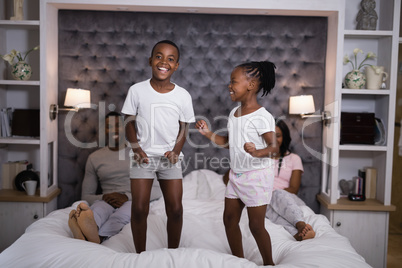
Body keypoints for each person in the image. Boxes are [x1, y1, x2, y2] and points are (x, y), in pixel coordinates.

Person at [196, 61, 277, 266]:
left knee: (256, 226)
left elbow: (274, 147)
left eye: (234, 81)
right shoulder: (234, 113)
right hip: (237, 174)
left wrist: (258, 151)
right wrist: (208, 133)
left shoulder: (262, 116)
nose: (229, 86)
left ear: (250, 85)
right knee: (229, 219)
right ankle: (239, 260)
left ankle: (269, 263)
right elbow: (228, 143)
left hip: (257, 176)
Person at [122, 40, 195, 253]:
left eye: (170, 59)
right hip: (142, 157)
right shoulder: (137, 90)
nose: (164, 62)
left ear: (176, 66)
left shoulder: (182, 95)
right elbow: (129, 122)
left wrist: (176, 151)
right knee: (138, 209)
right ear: (150, 61)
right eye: (159, 56)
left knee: (175, 210)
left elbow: (184, 128)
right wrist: (137, 149)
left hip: (169, 158)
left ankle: (172, 253)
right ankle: (140, 255)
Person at [68, 112, 162, 243]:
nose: (113, 130)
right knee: (97, 210)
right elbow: (86, 195)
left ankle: (97, 238)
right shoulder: (94, 158)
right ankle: (87, 229)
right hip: (107, 199)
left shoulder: (140, 153)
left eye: (118, 125)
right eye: (108, 126)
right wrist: (105, 197)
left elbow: (157, 190)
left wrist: (126, 196)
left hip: (133, 200)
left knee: (122, 215)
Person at [223, 119, 315, 241]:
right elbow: (228, 178)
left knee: (277, 194)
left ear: (284, 137)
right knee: (266, 211)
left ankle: (301, 224)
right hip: (262, 198)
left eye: (278, 136)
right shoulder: (255, 158)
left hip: (285, 196)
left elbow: (294, 189)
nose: (274, 140)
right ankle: (298, 233)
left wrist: (269, 193)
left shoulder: (294, 158)